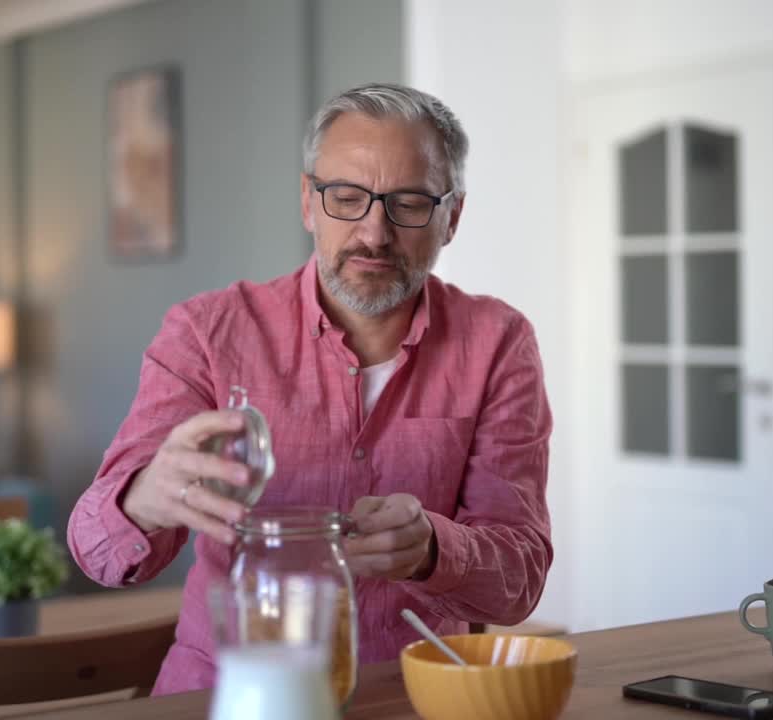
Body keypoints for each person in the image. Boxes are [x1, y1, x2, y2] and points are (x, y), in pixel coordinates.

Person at [68, 82, 553, 695]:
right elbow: (97, 553)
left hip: (411, 695)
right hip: (226, 692)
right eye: (347, 198)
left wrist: (435, 548)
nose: (374, 234)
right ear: (307, 202)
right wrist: (144, 497)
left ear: (451, 217)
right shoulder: (207, 332)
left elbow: (521, 577)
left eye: (407, 204)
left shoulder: (498, 342)